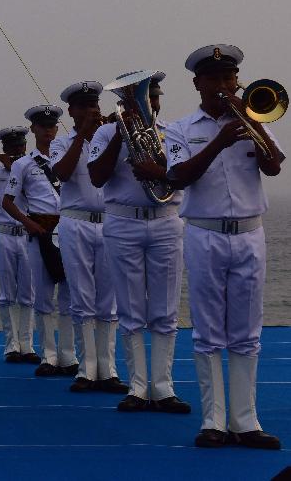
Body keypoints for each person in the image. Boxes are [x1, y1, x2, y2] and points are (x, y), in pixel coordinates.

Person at [165, 45, 284, 449]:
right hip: (205, 233)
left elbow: (274, 165)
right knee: (209, 331)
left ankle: (246, 421)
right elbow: (178, 176)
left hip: (250, 233)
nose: (223, 85)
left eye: (229, 78)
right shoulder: (181, 128)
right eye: (214, 79)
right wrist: (217, 142)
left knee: (247, 332)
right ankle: (213, 421)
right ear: (197, 84)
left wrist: (250, 122)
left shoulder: (253, 117)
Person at [89, 72, 189, 414]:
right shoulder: (106, 132)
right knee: (130, 310)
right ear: (123, 103)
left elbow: (181, 175)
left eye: (153, 98)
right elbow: (96, 176)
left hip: (165, 220)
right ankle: (137, 386)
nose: (150, 105)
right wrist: (119, 136)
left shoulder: (173, 132)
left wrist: (155, 162)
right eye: (141, 99)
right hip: (123, 222)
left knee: (165, 310)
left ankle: (163, 387)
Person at [52, 82, 125, 395]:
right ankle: (86, 369)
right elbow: (61, 173)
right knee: (82, 299)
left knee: (108, 301)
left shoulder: (111, 137)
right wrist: (82, 135)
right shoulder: (61, 143)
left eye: (93, 105)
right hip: (75, 221)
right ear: (71, 111)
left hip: (108, 221)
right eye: (82, 107)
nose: (89, 111)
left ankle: (107, 370)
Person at [3, 106, 76, 378]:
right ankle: (49, 355)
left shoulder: (68, 158)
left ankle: (68, 355)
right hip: (40, 231)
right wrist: (28, 223)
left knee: (69, 296)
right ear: (33, 129)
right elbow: (7, 201)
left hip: (67, 229)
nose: (48, 130)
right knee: (43, 296)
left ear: (57, 128)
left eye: (52, 126)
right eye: (42, 126)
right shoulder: (23, 164)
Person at [0, 127, 37, 363]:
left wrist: (13, 167)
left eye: (20, 146)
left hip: (27, 234)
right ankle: (11, 345)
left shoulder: (34, 168)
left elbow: (34, 198)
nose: (17, 150)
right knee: (7, 294)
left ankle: (27, 345)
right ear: (4, 148)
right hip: (4, 234)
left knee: (28, 293)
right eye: (12, 148)